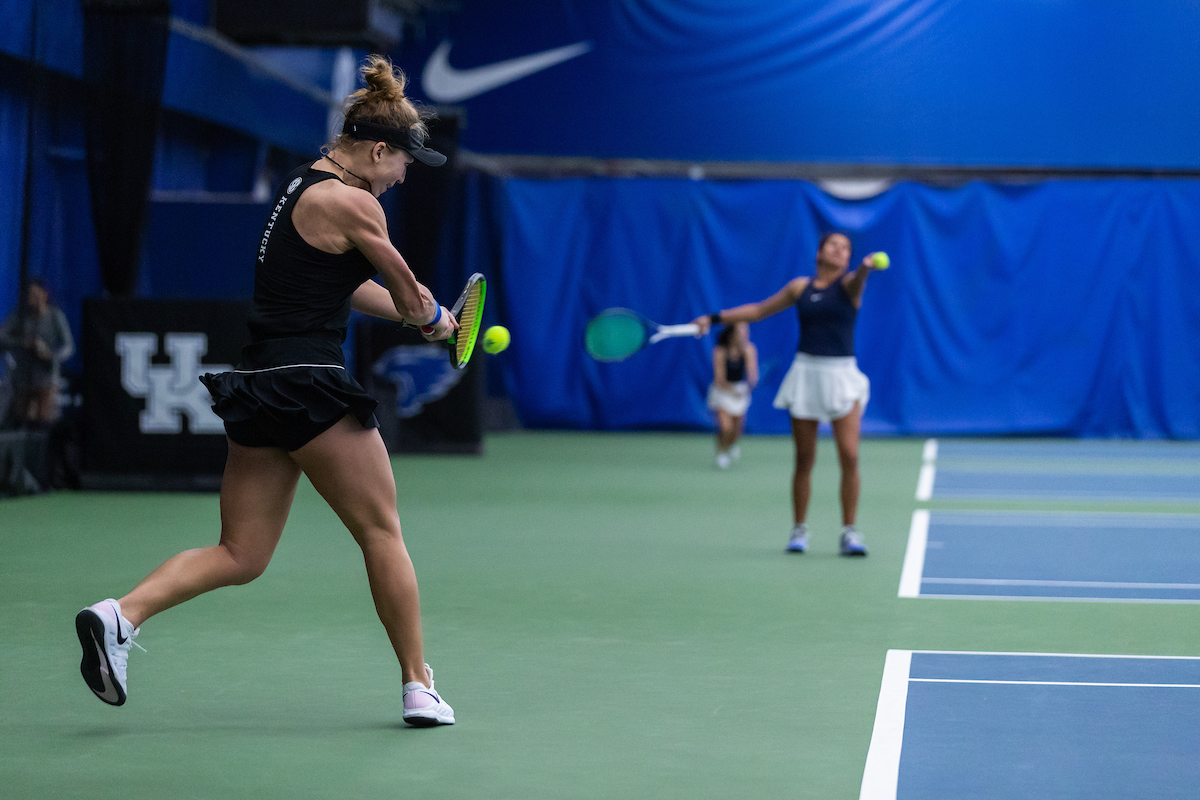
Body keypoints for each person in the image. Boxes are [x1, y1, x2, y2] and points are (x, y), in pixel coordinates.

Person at [75, 56, 458, 726]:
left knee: (240, 554)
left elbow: (351, 288)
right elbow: (401, 282)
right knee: (379, 531)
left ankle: (119, 615)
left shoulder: (302, 190)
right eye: (402, 165)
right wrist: (427, 316)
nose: (401, 179)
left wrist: (411, 310)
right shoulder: (356, 200)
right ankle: (418, 683)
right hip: (309, 385)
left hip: (259, 386)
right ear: (377, 150)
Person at [693, 232, 885, 556]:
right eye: (833, 245)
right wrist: (713, 319)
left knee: (850, 456)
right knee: (804, 459)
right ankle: (799, 530)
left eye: (846, 249)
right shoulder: (800, 288)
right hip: (806, 375)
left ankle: (849, 532)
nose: (839, 251)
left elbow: (857, 280)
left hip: (842, 377)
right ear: (820, 252)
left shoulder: (850, 285)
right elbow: (756, 311)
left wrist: (866, 268)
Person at [0, 278, 75, 428]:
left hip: (46, 377)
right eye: (30, 295)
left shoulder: (54, 316)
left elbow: (68, 347)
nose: (32, 298)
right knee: (21, 418)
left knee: (44, 419)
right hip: (23, 378)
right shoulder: (20, 316)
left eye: (36, 294)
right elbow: (2, 335)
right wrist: (22, 342)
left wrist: (51, 354)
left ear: (44, 294)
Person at [707, 322, 758, 469]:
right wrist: (732, 390)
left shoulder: (749, 349)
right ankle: (721, 453)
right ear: (731, 335)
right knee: (726, 428)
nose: (743, 335)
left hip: (740, 393)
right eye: (740, 332)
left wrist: (748, 386)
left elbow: (752, 375)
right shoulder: (720, 351)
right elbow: (719, 379)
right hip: (721, 392)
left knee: (736, 431)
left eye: (745, 332)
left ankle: (731, 444)